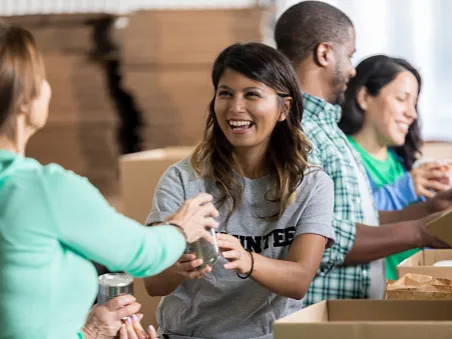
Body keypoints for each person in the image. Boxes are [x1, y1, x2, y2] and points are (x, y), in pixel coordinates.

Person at [0, 22, 219, 339]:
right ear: (24, 98)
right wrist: (181, 228)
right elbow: (141, 254)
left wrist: (88, 333)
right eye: (43, 78)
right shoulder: (43, 189)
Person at [144, 42, 335, 339]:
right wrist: (177, 266)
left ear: (284, 108)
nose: (235, 108)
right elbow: (153, 284)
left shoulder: (311, 184)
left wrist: (248, 260)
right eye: (225, 93)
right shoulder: (183, 179)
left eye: (252, 94)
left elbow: (300, 279)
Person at [274, 0, 452, 306]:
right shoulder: (297, 132)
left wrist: (429, 210)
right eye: (351, 55)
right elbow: (317, 240)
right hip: (315, 317)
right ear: (325, 53)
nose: (353, 68)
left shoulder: (327, 129)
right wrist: (421, 231)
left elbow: (355, 221)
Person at [338, 55, 452, 279]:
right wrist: (405, 189)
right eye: (401, 99)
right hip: (370, 299)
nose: (412, 113)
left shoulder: (400, 163)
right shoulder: (342, 155)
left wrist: (436, 206)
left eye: (414, 102)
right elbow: (346, 225)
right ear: (363, 97)